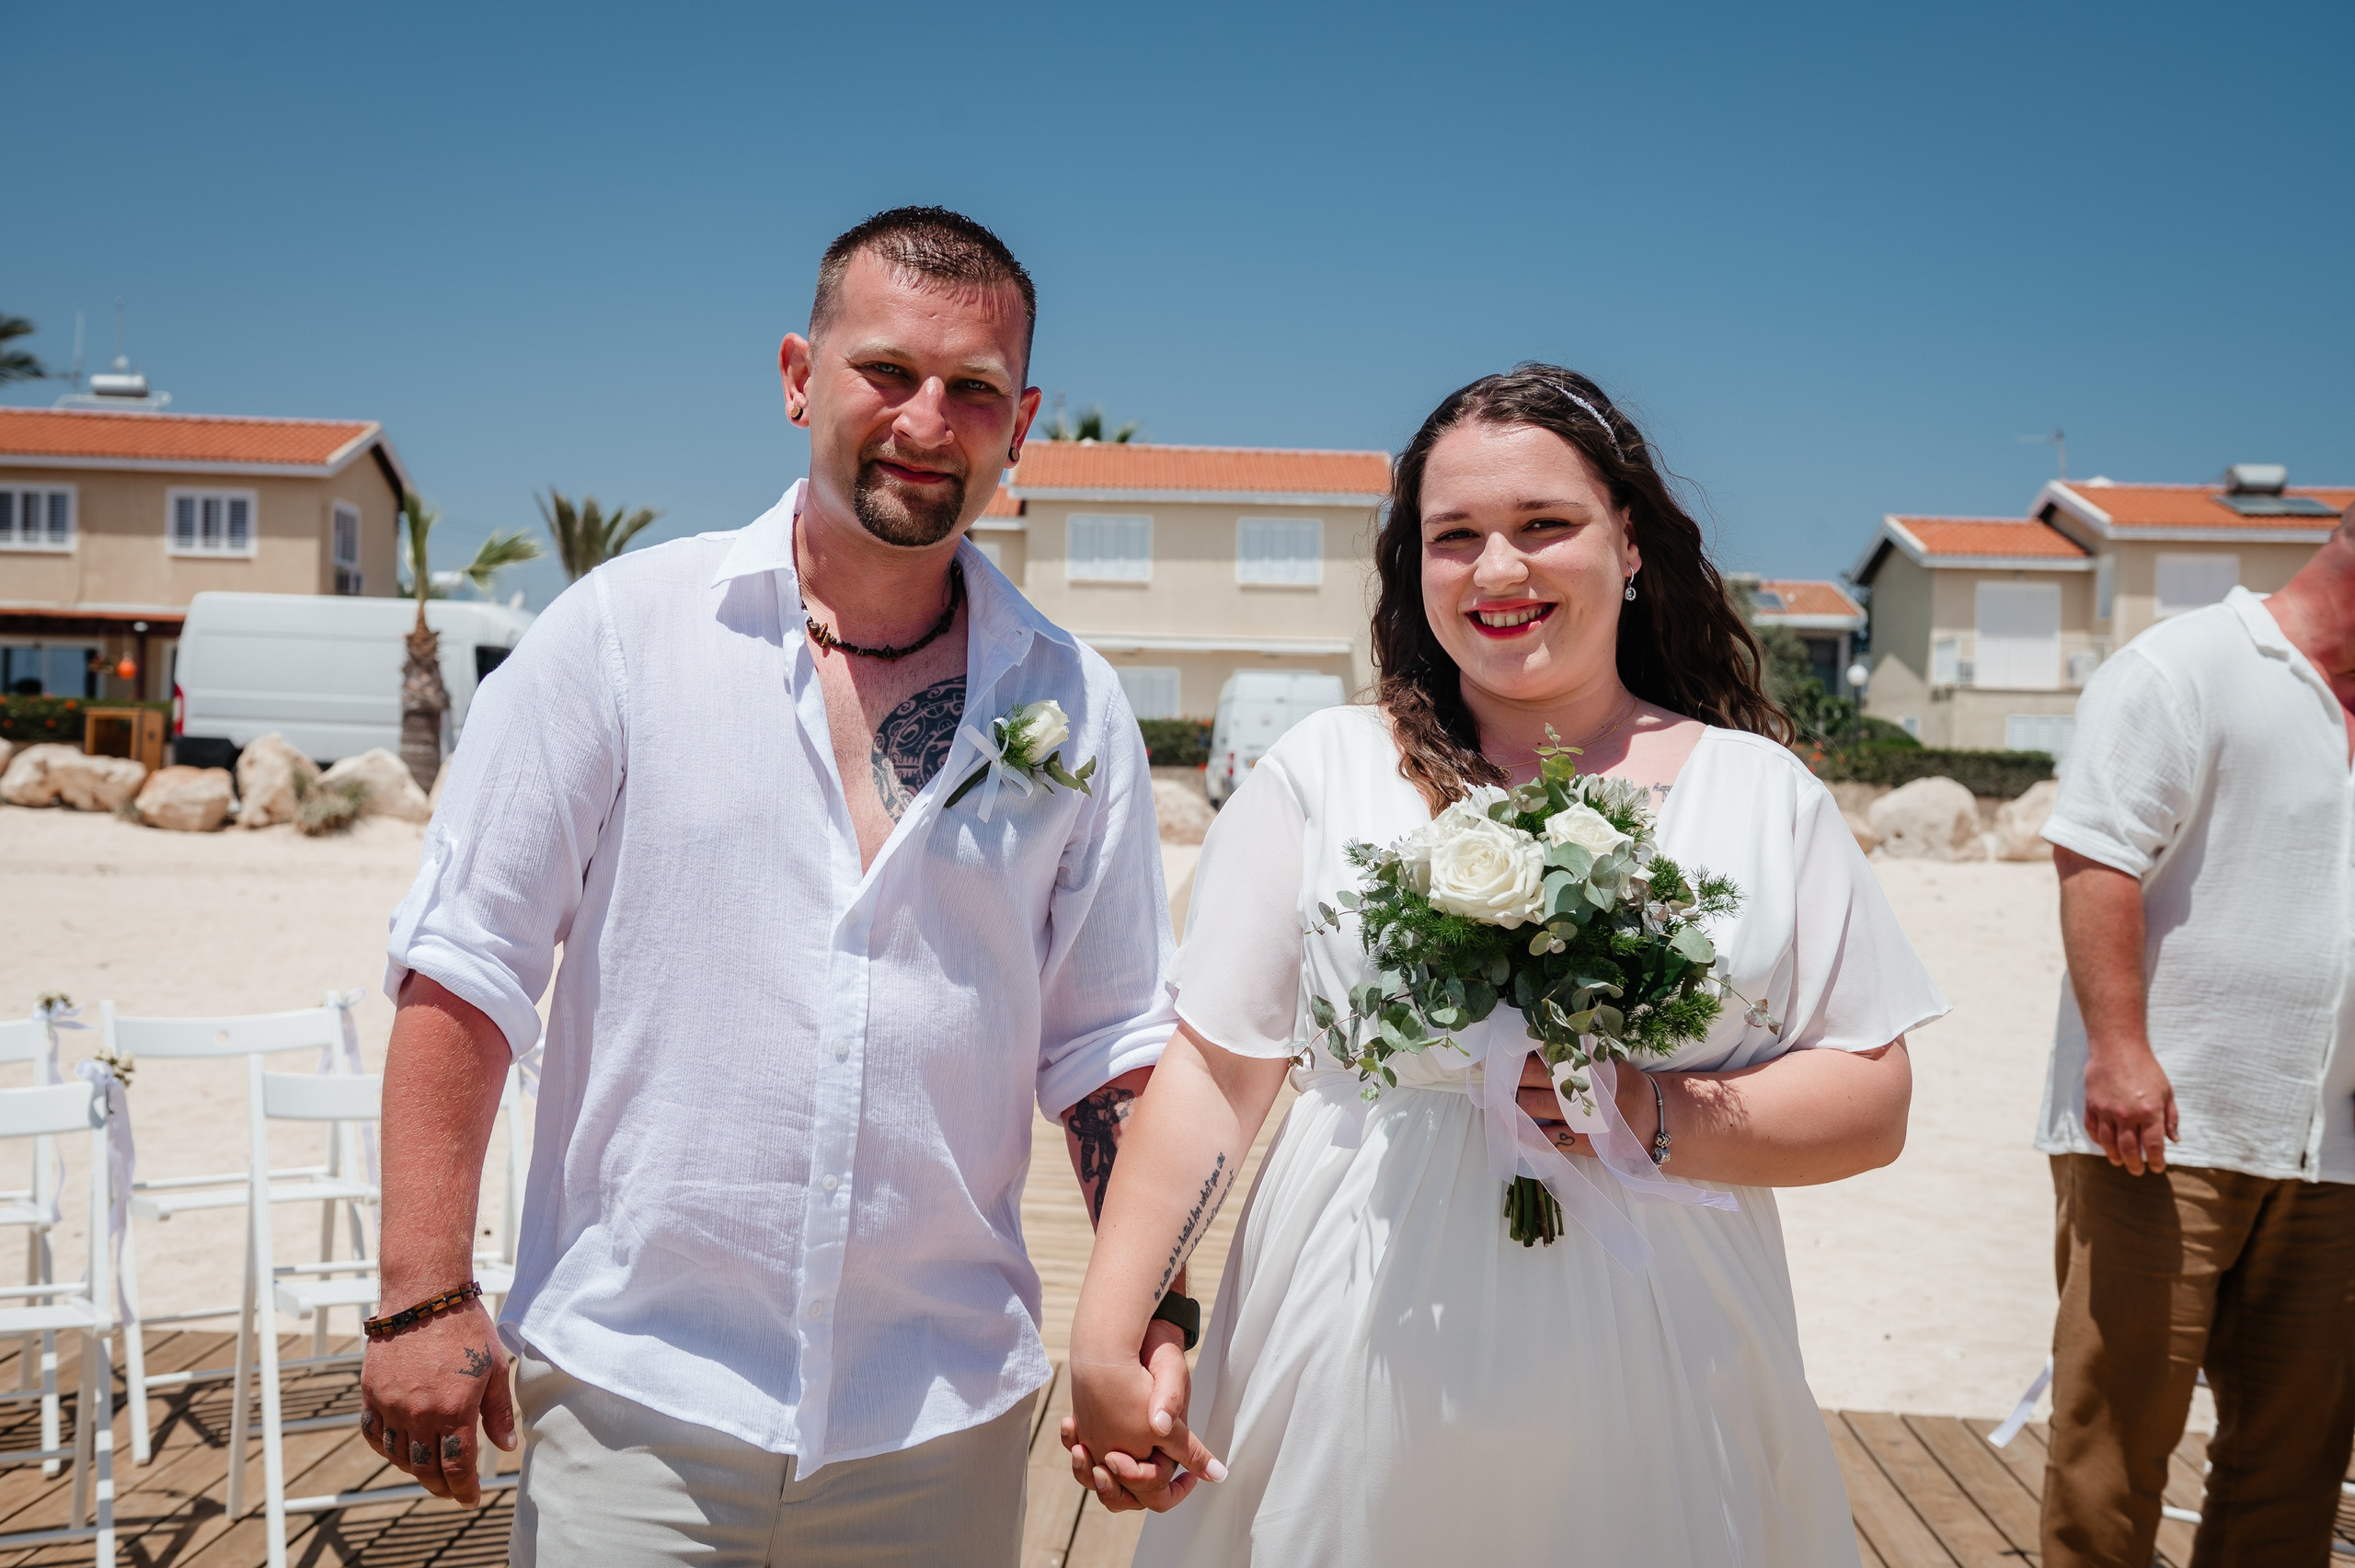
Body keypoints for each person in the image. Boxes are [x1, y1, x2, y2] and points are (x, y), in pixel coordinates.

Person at [361, 206, 1194, 1567]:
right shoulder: (620, 637)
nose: (929, 419)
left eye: (973, 390)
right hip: (639, 1394)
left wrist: (1147, 1317)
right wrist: (419, 1295)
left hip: (938, 1418)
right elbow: (468, 960)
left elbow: (1111, 1051)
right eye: (888, 372)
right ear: (801, 375)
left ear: (1021, 419)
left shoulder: (1074, 703)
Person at [1061, 366, 1950, 1563]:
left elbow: (1873, 1095)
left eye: (1544, 526)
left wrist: (1652, 1110)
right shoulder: (1322, 772)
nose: (1498, 572)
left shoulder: (1761, 794)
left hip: (1669, 1359)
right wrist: (1110, 1331)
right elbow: (1219, 1070)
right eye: (1455, 537)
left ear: (1628, 542)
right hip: (1354, 1330)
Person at [2033, 512, 2355, 1568]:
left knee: (2295, 1461)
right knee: (2110, 1446)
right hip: (2160, 1128)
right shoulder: (2186, 666)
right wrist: (2118, 1048)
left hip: (2339, 1147)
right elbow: (2096, 858)